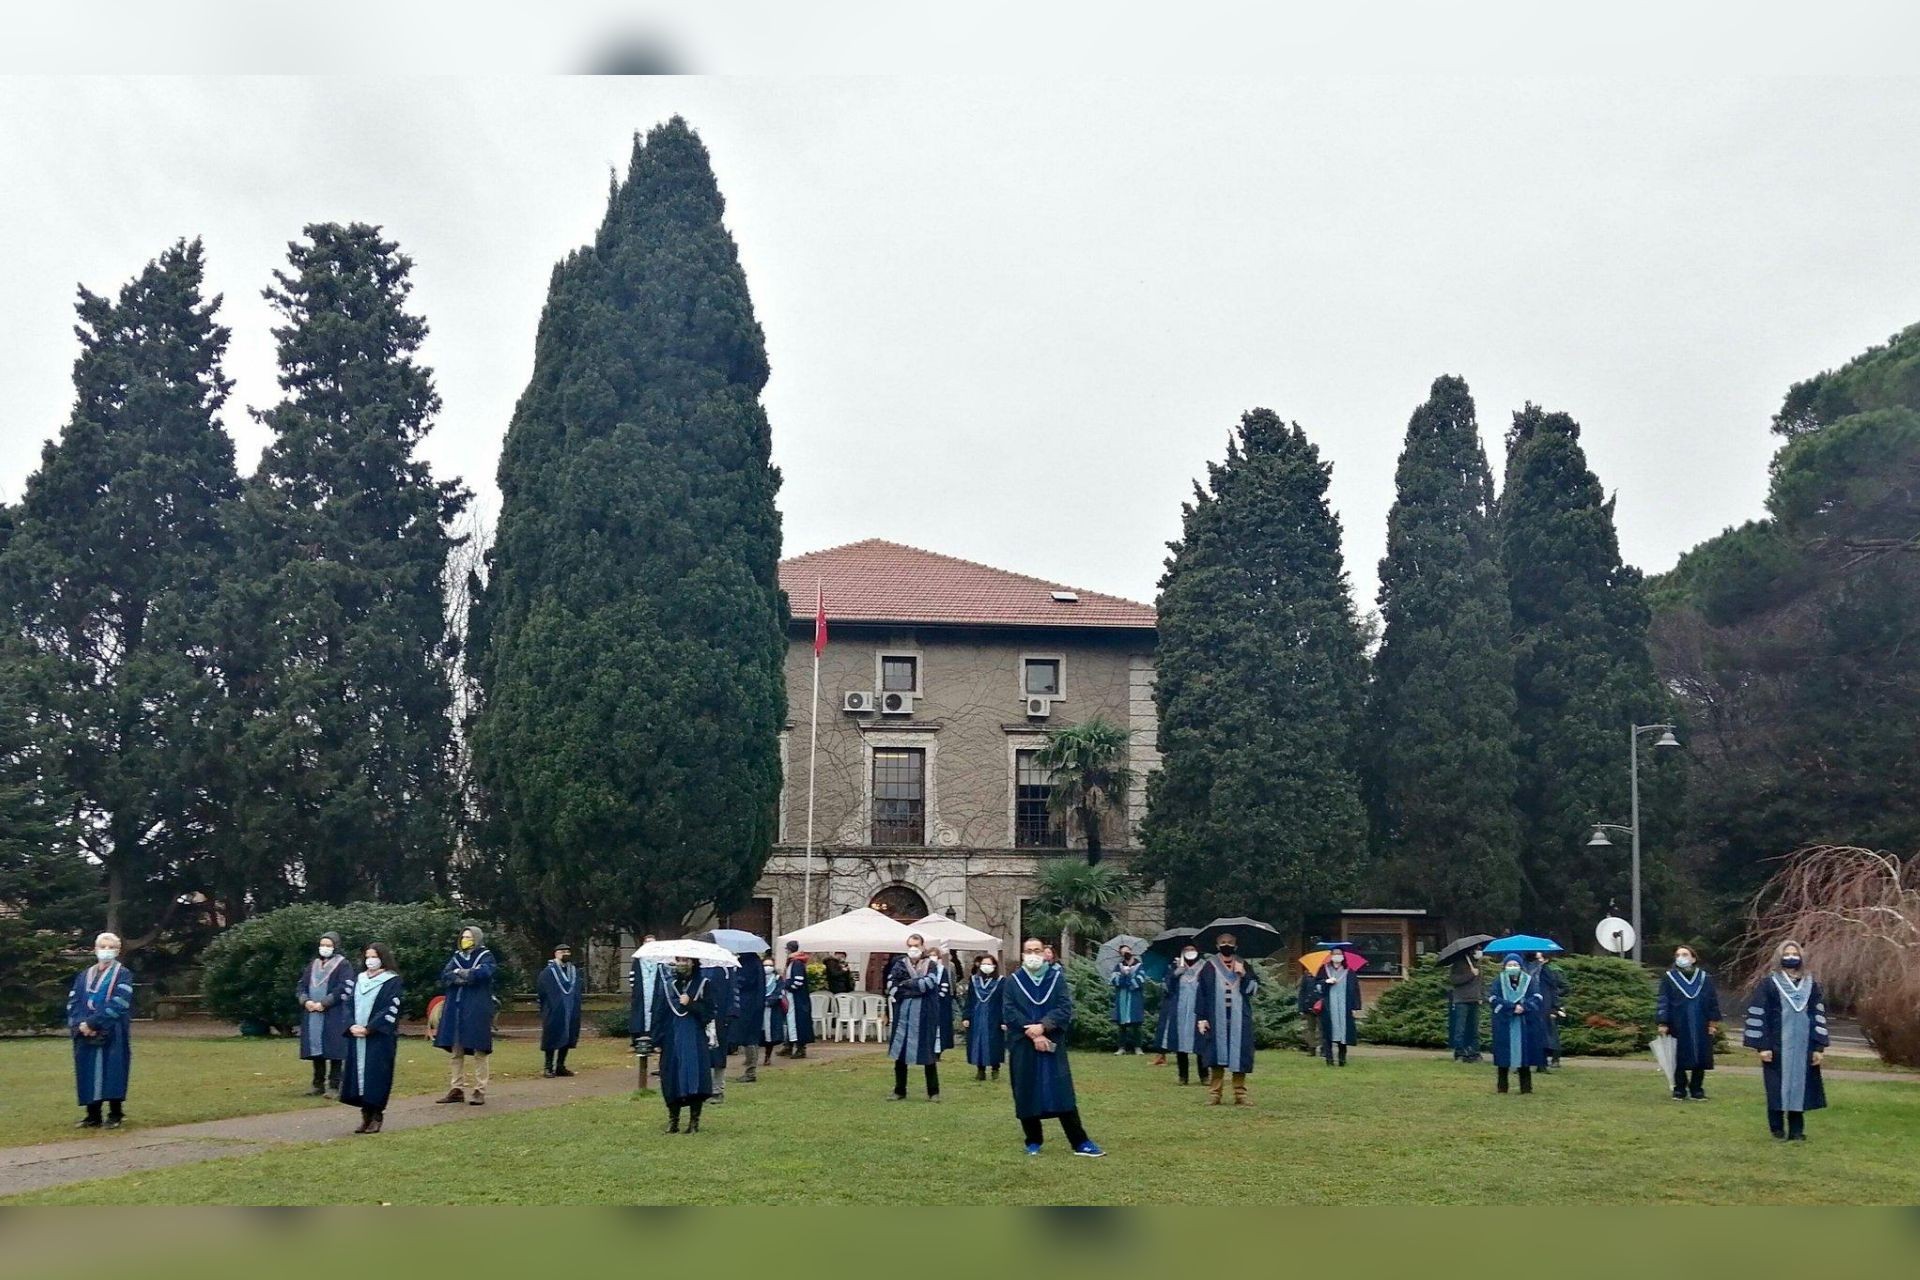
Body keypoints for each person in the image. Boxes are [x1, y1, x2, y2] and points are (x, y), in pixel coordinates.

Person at [1004, 937, 1103, 1157]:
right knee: (1025, 1089)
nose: (1032, 955)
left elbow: (1063, 1007)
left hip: (1051, 1041)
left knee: (1060, 1090)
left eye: (1036, 950)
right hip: (1023, 1042)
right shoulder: (1013, 981)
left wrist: (1044, 1027)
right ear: (1022, 955)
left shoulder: (1055, 978)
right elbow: (1009, 1011)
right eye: (1028, 951)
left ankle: (1080, 1142)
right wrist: (1031, 1031)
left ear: (1044, 953)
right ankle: (1033, 1140)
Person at [1743, 939, 1829, 1141]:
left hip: (1803, 1046)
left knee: (1801, 1087)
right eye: (1787, 954)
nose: (1791, 957)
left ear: (1801, 957)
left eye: (1795, 954)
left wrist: (1818, 1047)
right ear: (1779, 957)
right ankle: (1777, 1129)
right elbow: (1759, 1014)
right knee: (1776, 1088)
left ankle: (1797, 1130)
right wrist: (1762, 1046)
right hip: (1776, 1046)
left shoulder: (1811, 984)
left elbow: (1817, 1014)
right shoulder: (1769, 984)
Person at [68, 931, 134, 1129]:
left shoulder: (123, 974)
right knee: (87, 1071)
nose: (106, 951)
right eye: (103, 947)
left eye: (111, 947)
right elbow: (74, 1001)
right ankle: (92, 1115)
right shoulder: (84, 975)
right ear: (95, 949)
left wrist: (95, 1023)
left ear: (117, 950)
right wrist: (81, 1024)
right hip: (85, 1033)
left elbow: (120, 1002)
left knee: (113, 1070)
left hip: (112, 1030)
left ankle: (115, 1113)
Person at [340, 942, 404, 1134]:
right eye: (367, 956)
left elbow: (390, 1008)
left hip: (378, 1038)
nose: (370, 960)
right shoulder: (359, 979)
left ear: (382, 958)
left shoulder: (392, 981)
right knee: (358, 1076)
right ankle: (365, 1115)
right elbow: (348, 1004)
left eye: (374, 956)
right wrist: (351, 1025)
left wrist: (370, 1028)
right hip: (357, 1035)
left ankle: (376, 1114)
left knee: (376, 1074)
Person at [653, 956, 717, 1134]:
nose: (682, 964)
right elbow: (660, 1012)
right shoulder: (668, 986)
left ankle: (694, 1122)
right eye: (679, 960)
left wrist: (692, 1004)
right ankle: (673, 1121)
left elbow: (709, 1013)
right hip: (672, 1037)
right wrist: (656, 1039)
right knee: (671, 1076)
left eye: (686, 960)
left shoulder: (704, 984)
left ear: (693, 963)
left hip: (694, 1037)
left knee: (694, 1076)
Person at [433, 925, 497, 1105]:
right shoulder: (457, 956)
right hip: (456, 1008)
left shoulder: (486, 956)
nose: (465, 940)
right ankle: (456, 1088)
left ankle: (479, 1089)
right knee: (456, 1049)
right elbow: (445, 975)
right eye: (463, 937)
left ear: (476, 938)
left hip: (476, 1007)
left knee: (479, 1049)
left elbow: (484, 973)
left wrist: (462, 974)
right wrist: (463, 976)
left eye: (469, 937)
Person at [1196, 934, 1259, 1105]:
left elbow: (1253, 990)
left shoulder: (1243, 964)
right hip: (1216, 1017)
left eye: (1230, 943)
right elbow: (1201, 993)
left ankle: (1240, 1095)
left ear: (1236, 946)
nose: (1226, 945)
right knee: (1215, 1055)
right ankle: (1215, 1094)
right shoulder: (1209, 966)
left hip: (1240, 1017)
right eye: (1223, 942)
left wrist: (1244, 974)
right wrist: (1201, 1018)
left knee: (1240, 1055)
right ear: (1217, 946)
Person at [1657, 944, 1722, 1102]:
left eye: (1685, 954)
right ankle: (1679, 1089)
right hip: (1678, 1022)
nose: (1681, 957)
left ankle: (1696, 1089)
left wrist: (1712, 1022)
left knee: (1700, 1055)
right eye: (1678, 955)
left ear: (1693, 958)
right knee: (1677, 1055)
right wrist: (1663, 1021)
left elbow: (1712, 1000)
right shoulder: (1669, 977)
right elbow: (1663, 1000)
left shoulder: (1704, 978)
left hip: (1700, 1021)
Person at [885, 932, 942, 1100]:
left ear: (922, 947)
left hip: (924, 1015)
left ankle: (933, 1092)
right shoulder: (899, 964)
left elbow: (930, 983)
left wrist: (908, 985)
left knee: (928, 1054)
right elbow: (892, 986)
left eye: (916, 945)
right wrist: (913, 987)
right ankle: (899, 1090)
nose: (913, 949)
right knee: (900, 1054)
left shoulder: (930, 964)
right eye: (910, 945)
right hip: (903, 1014)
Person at [297, 931, 352, 1097]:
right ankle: (317, 1084)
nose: (325, 948)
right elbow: (301, 985)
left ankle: (335, 1085)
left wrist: (325, 1003)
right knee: (316, 1049)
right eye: (322, 945)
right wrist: (305, 1001)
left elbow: (345, 987)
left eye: (329, 945)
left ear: (335, 946)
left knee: (334, 1049)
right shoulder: (313, 964)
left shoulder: (343, 964)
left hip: (332, 1013)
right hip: (312, 1012)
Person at [1489, 955, 1547, 1094]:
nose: (1512, 967)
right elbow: (1493, 998)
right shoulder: (1499, 980)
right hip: (1505, 1022)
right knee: (1504, 1056)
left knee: (1525, 1055)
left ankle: (1526, 1087)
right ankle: (1502, 1087)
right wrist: (1511, 1007)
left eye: (1515, 965)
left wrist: (1524, 1007)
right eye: (1510, 965)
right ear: (1505, 966)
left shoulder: (1529, 981)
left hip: (1524, 1022)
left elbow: (1537, 997)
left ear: (1520, 966)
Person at [1152, 946, 1204, 1082]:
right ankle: (1183, 1076)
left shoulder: (1204, 966)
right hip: (1179, 1009)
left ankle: (1204, 1075)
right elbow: (1167, 989)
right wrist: (1176, 974)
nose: (1190, 952)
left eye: (1192, 949)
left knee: (1200, 1042)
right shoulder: (1175, 966)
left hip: (1198, 1009)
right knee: (1180, 1043)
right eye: (1186, 950)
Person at [537, 943, 583, 1078]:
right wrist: (549, 1006)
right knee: (552, 1036)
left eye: (568, 951)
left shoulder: (573, 970)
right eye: (563, 951)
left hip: (571, 1009)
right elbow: (542, 991)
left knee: (568, 1036)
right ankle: (548, 1067)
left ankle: (560, 1066)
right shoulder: (548, 972)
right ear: (556, 954)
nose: (566, 954)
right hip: (554, 1009)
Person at [964, 954, 1006, 1081]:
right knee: (978, 1042)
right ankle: (980, 1070)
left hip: (994, 1015)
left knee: (993, 1042)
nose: (986, 966)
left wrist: (1004, 1019)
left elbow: (1005, 1001)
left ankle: (995, 1068)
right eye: (984, 964)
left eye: (989, 964)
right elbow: (969, 999)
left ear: (994, 966)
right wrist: (966, 1016)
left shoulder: (1001, 981)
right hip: (977, 1015)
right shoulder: (974, 980)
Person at [1317, 948, 1362, 1067]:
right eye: (1335, 954)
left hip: (1344, 1006)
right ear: (1331, 956)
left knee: (1344, 1033)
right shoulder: (1324, 969)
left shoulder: (1349, 971)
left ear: (1343, 957)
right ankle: (1329, 1059)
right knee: (1328, 1033)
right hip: (1329, 1007)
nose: (1337, 956)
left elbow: (1355, 989)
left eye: (1339, 954)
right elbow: (1317, 986)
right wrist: (1326, 982)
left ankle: (1342, 1059)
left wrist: (1355, 1006)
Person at [732, 952, 772, 1082]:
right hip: (754, 1003)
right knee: (751, 1037)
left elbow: (744, 981)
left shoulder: (748, 963)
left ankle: (750, 1071)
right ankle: (750, 1068)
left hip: (748, 1004)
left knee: (749, 1037)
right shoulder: (756, 962)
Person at [630, 934, 660, 1090]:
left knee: (654, 1015)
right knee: (640, 1015)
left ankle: (654, 1039)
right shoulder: (637, 960)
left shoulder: (660, 961)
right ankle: (639, 1039)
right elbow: (633, 980)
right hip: (642, 994)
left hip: (654, 993)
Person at [1447, 948, 1485, 1062]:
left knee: (1474, 1028)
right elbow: (1454, 980)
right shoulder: (1458, 963)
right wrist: (1470, 974)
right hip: (1462, 999)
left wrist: (1481, 996)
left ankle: (1474, 1051)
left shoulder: (1476, 963)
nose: (1479, 951)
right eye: (1477, 949)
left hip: (1474, 999)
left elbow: (1480, 982)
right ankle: (1459, 1052)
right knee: (1460, 1028)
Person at [777, 940, 814, 1058]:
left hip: (797, 998)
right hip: (792, 997)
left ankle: (799, 1048)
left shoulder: (796, 963)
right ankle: (789, 1045)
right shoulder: (794, 962)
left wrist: (787, 986)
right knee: (789, 1021)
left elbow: (798, 981)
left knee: (797, 1022)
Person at [1532, 952, 1567, 1070]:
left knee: (1551, 1033)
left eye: (1539, 958)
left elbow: (1559, 987)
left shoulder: (1550, 970)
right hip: (1542, 1005)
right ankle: (1545, 1059)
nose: (1538, 960)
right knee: (1547, 1033)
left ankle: (1555, 1058)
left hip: (1548, 1006)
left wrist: (1557, 1005)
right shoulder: (1539, 969)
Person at [1109, 946, 1146, 1055]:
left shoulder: (1140, 966)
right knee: (1122, 1025)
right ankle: (1121, 1047)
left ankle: (1138, 1047)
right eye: (1123, 952)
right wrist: (1123, 975)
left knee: (1136, 1025)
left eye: (1127, 950)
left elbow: (1140, 980)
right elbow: (1114, 980)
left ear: (1131, 952)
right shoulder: (1118, 966)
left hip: (1135, 998)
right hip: (1122, 998)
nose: (1126, 953)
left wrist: (1129, 977)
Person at [1294, 967, 1321, 1058]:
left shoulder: (1324, 975)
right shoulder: (1306, 976)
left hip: (1321, 1006)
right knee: (1310, 1029)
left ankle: (1323, 1048)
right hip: (1308, 1006)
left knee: (1322, 1029)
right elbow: (1302, 992)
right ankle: (1312, 1048)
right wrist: (1301, 1007)